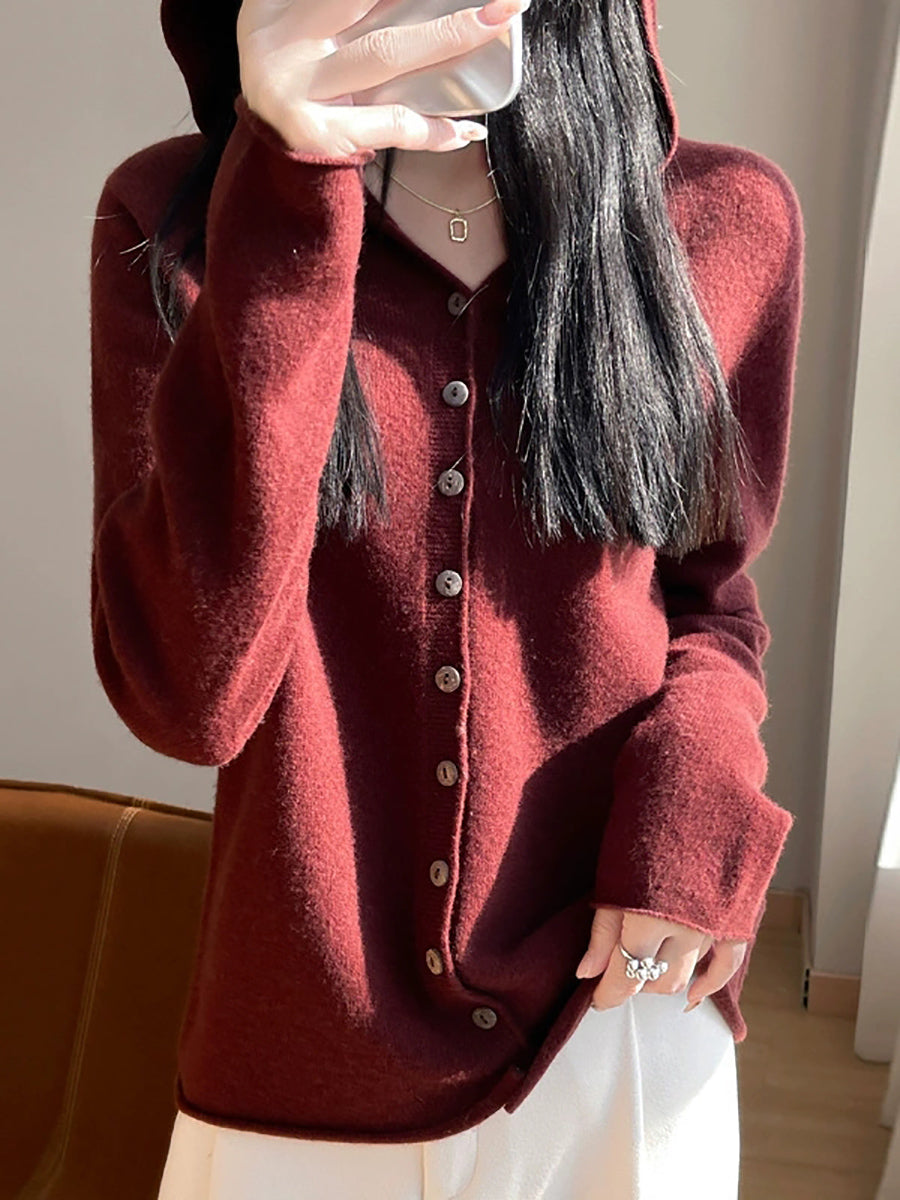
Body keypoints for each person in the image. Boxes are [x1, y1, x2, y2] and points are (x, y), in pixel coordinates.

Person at [88, 0, 805, 1195]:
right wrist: (287, 185)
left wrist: (694, 816)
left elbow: (708, 598)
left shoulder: (724, 218)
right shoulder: (175, 225)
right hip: (304, 1051)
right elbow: (189, 699)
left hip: (618, 1012)